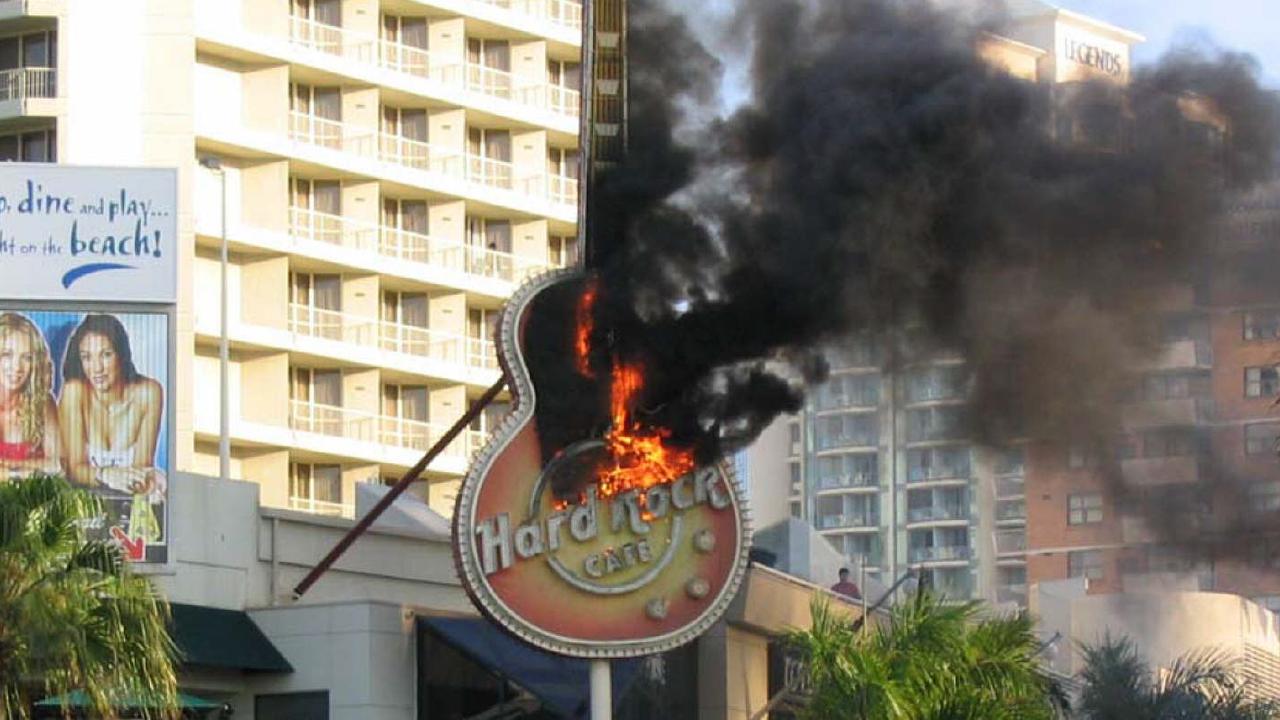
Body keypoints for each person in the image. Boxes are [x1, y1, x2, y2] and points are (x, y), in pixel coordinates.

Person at [58, 313, 164, 502]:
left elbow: (140, 472)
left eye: (106, 355)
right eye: (87, 357)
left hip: (125, 511)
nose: (97, 368)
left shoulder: (149, 392)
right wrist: (106, 475)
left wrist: (150, 481)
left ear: (121, 354)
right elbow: (73, 469)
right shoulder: (74, 392)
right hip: (78, 510)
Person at [0, 312, 61, 478]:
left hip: (32, 501)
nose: (17, 367)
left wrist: (9, 470)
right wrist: (31, 470)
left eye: (26, 358)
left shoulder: (43, 402)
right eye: (7, 355)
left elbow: (56, 466)